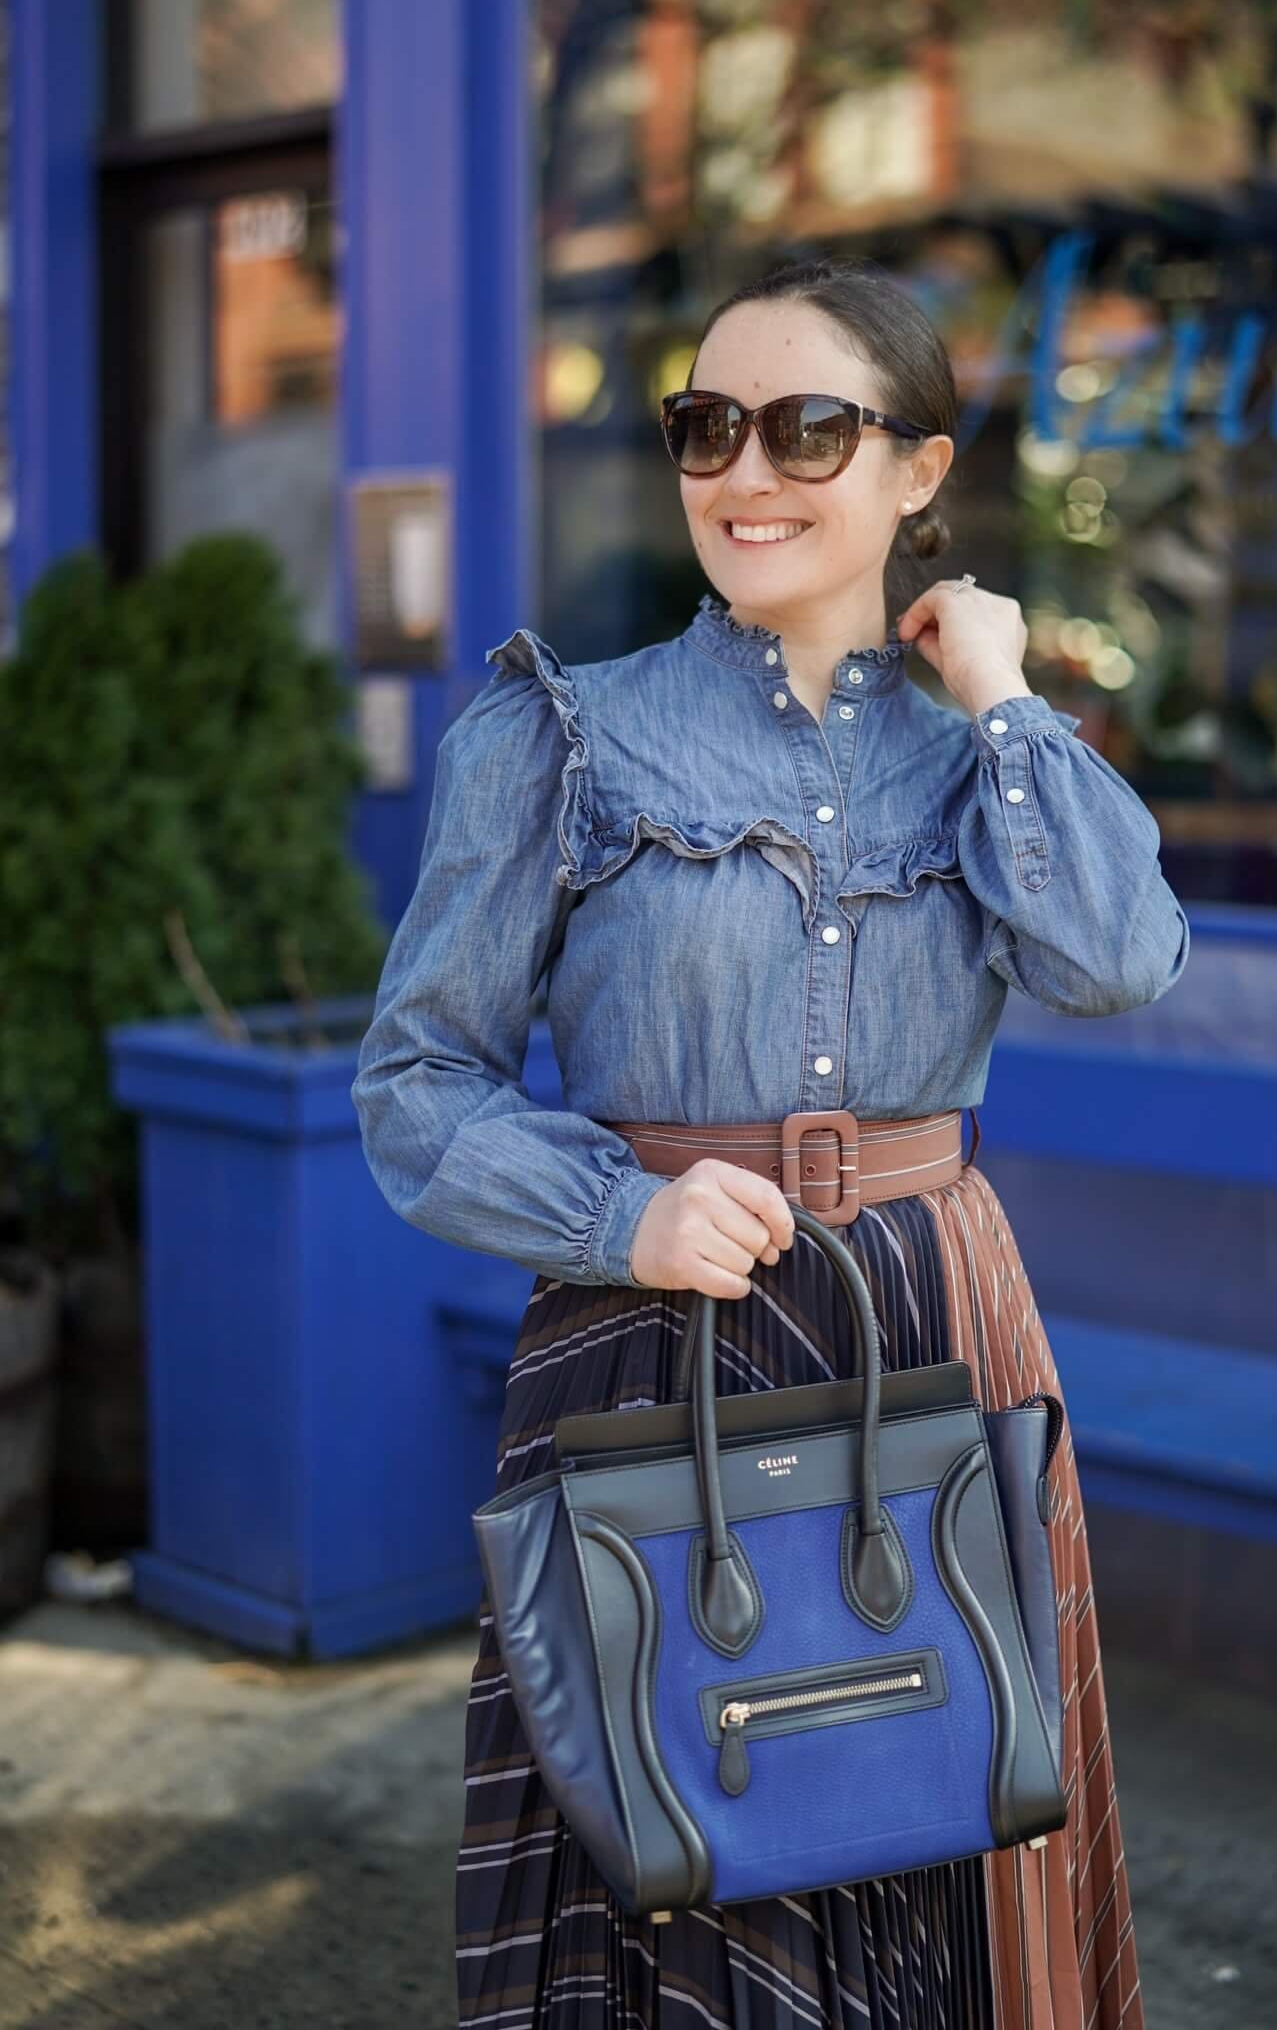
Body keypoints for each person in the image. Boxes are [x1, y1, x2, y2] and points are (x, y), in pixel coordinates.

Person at [352, 254, 1189, 2030]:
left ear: (919, 469)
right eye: (706, 427)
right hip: (650, 1324)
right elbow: (415, 1087)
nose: (746, 474)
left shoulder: (986, 757)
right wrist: (614, 1213)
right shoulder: (561, 731)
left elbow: (1119, 960)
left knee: (943, 1784)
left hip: (929, 1315)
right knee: (678, 1827)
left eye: (809, 429)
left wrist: (1008, 693)